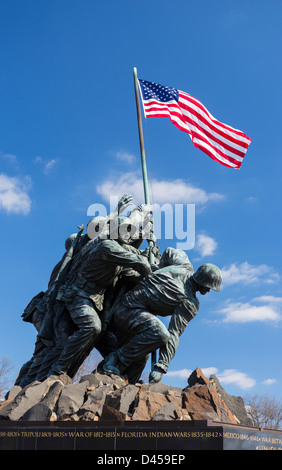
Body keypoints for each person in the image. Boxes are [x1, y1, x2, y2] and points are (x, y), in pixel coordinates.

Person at [46, 204, 153, 378]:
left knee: (117, 347)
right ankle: (57, 370)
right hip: (79, 297)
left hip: (97, 305)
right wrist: (141, 212)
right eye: (126, 232)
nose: (129, 236)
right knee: (91, 327)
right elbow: (139, 264)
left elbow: (132, 273)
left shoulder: (116, 248)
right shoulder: (106, 246)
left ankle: (112, 379)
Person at [102, 257, 222, 384]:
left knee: (142, 358)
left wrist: (159, 266)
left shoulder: (183, 264)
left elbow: (169, 251)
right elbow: (173, 333)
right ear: (202, 282)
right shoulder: (189, 303)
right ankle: (114, 359)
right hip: (128, 311)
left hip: (134, 313)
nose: (209, 290)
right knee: (159, 333)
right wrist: (161, 366)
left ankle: (125, 385)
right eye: (209, 287)